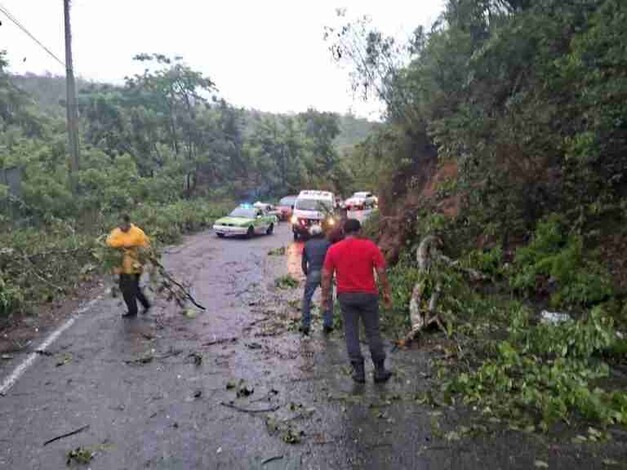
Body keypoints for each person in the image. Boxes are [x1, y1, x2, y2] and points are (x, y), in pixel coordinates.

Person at [321, 218, 393, 383]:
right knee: (373, 331)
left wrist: (325, 298)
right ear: (359, 231)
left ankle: (359, 372)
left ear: (343, 232)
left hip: (346, 297)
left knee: (351, 332)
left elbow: (326, 275)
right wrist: (387, 293)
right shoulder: (370, 246)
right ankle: (379, 371)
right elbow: (381, 271)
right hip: (368, 296)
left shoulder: (334, 249)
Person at [106, 214, 151, 318]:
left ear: (128, 222)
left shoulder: (137, 232)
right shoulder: (116, 232)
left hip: (135, 265)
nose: (121, 226)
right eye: (120, 224)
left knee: (134, 288)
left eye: (123, 224)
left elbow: (145, 245)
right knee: (124, 289)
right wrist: (123, 244)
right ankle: (132, 310)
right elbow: (109, 242)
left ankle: (146, 304)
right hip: (122, 267)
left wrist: (132, 246)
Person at [301, 225, 333, 335]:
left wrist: (307, 274)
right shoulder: (328, 243)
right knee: (328, 298)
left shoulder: (307, 244)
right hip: (326, 273)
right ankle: (327, 324)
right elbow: (332, 259)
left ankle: (306, 325)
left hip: (313, 272)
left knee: (307, 299)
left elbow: (304, 264)